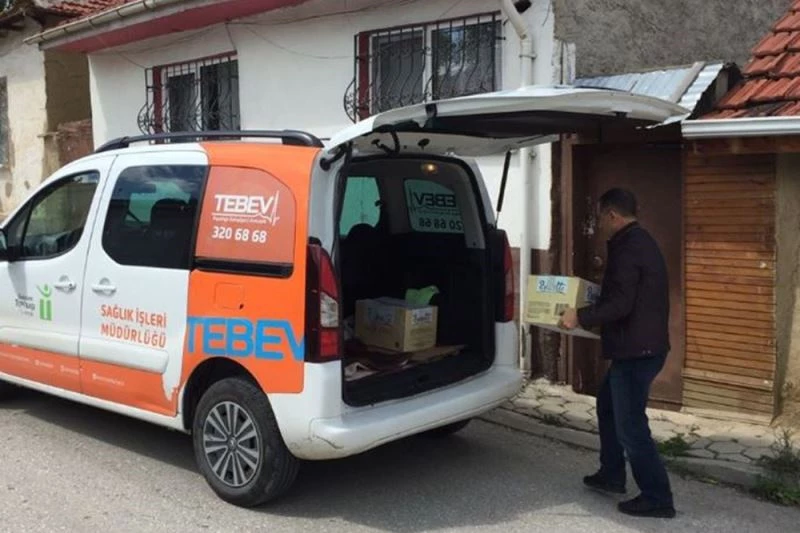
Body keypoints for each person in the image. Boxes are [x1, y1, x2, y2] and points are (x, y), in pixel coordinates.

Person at [559, 188, 675, 519]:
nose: (599, 225)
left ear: (612, 215)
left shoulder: (629, 248)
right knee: (608, 406)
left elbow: (621, 304)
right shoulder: (639, 241)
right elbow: (625, 297)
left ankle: (657, 497)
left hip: (637, 351)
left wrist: (580, 316)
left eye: (600, 218)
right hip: (638, 347)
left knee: (631, 425)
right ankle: (611, 474)